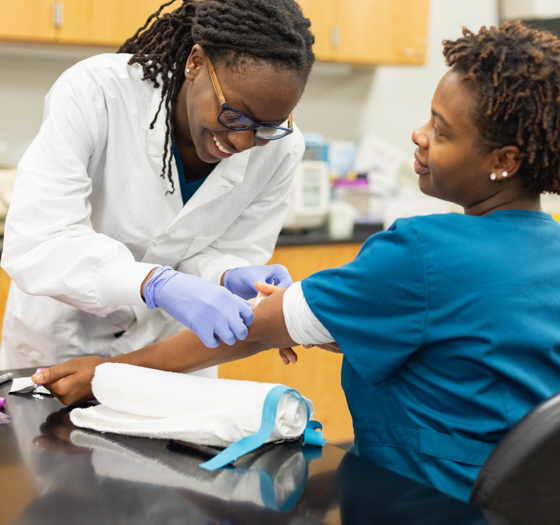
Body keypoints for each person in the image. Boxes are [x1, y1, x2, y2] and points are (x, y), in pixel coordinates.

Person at [34, 21, 560, 502]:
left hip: (419, 498)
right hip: (515, 502)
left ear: (506, 161)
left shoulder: (421, 252)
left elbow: (254, 330)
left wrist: (105, 374)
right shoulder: (549, 250)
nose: (419, 135)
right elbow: (457, 350)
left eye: (441, 130)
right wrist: (309, 322)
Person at [0, 0, 315, 369]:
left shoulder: (282, 150)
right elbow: (40, 240)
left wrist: (227, 274)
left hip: (166, 357)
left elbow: (219, 252)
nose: (244, 143)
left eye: (266, 127)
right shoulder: (97, 93)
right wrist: (156, 283)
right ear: (196, 62)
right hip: (56, 343)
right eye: (234, 115)